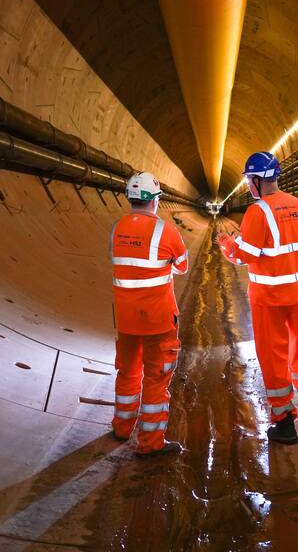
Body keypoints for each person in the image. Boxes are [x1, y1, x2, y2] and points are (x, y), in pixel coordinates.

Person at [216, 152, 298, 444]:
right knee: (297, 345)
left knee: (273, 355)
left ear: (256, 180)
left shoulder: (258, 212)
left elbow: (245, 254)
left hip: (269, 297)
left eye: (248, 180)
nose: (248, 186)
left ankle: (285, 423)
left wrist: (228, 244)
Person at [109, 172, 188, 456]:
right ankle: (151, 443)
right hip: (158, 320)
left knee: (127, 373)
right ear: (154, 201)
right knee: (156, 379)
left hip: (127, 320)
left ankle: (121, 428)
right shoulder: (167, 232)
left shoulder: (116, 229)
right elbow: (182, 266)